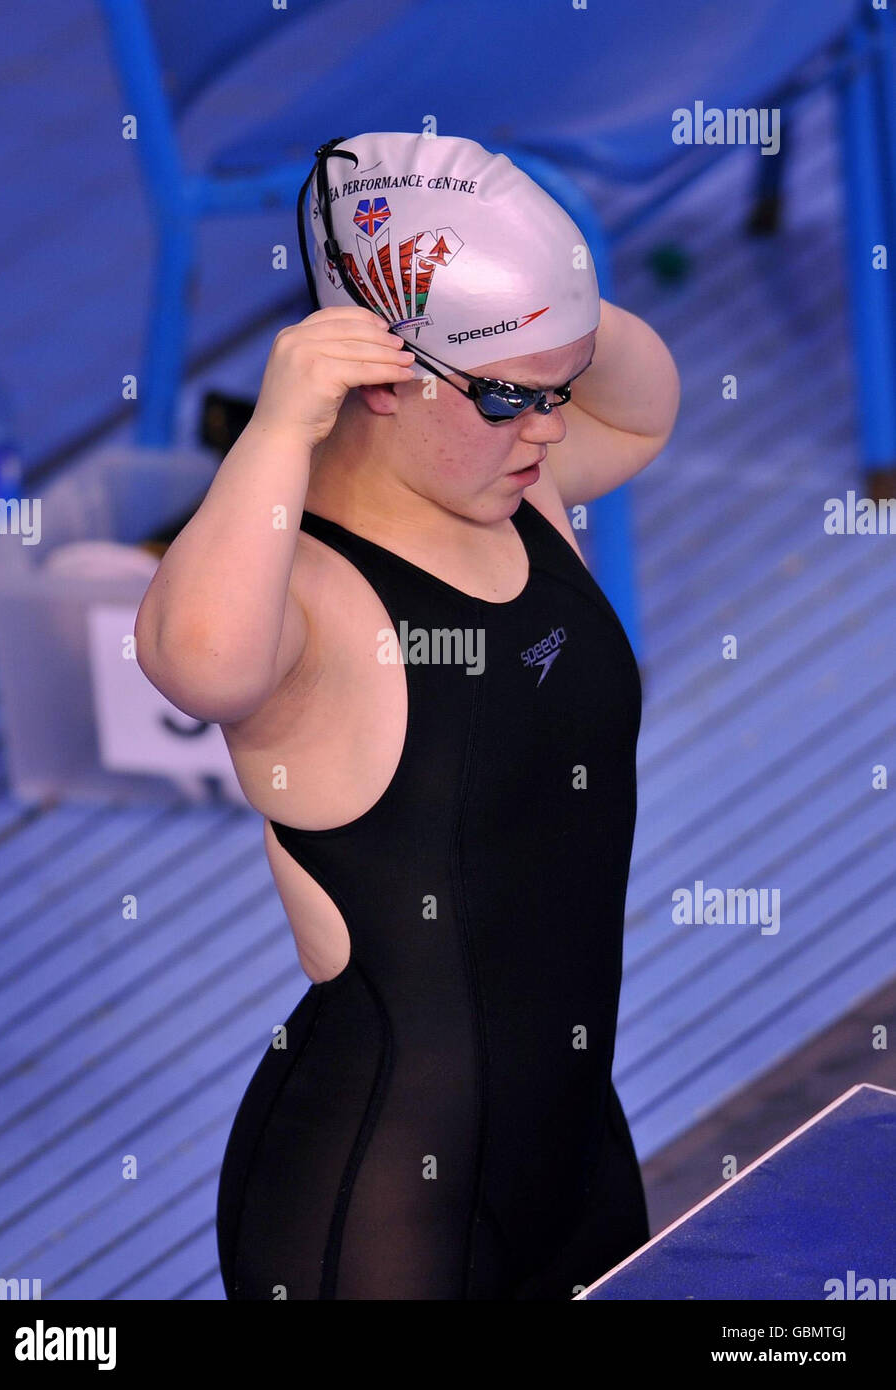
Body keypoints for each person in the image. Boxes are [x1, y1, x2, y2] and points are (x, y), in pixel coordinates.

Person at [134, 131, 680, 1299]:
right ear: (381, 374)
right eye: (506, 397)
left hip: (576, 1149)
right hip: (378, 1208)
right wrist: (278, 426)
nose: (546, 425)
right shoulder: (308, 601)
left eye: (555, 390)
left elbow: (641, 411)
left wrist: (545, 304)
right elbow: (196, 663)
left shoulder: (514, 486)